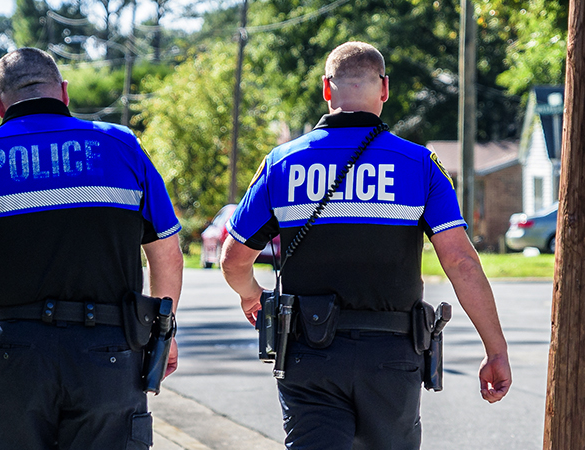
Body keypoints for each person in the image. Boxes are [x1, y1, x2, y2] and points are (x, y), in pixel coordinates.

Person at [218, 41, 512, 450]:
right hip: (392, 357)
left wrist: (252, 296)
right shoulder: (419, 165)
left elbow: (233, 260)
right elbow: (461, 261)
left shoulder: (282, 163)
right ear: (384, 89)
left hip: (309, 355)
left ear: (326, 89)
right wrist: (494, 348)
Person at [0, 47, 184, 450]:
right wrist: (163, 334)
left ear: (0, 104)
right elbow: (167, 253)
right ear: (64, 92)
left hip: (16, 357)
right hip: (108, 352)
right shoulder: (123, 146)